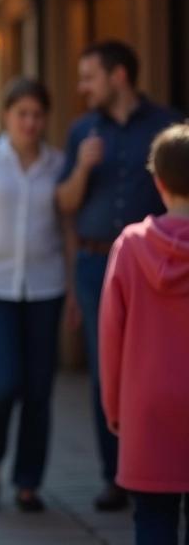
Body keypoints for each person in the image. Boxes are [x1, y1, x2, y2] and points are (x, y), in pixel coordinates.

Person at [56, 40, 184, 511]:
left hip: (161, 269)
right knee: (105, 369)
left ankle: (171, 468)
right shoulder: (81, 130)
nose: (82, 87)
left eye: (89, 77)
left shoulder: (170, 125)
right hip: (96, 267)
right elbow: (65, 205)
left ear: (119, 77)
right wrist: (83, 169)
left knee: (162, 372)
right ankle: (117, 477)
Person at [0, 78, 78, 512]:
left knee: (39, 389)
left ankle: (28, 482)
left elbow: (66, 229)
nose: (30, 122)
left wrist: (74, 290)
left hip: (46, 288)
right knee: (4, 383)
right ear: (8, 115)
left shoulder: (58, 164)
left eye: (38, 115)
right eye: (22, 114)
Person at [100, 123, 189, 544]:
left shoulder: (131, 246)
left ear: (157, 180)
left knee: (152, 518)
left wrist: (114, 407)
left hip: (147, 410)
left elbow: (111, 338)